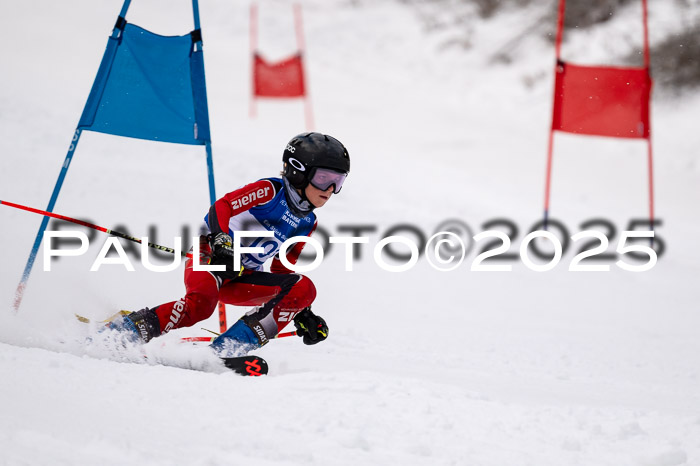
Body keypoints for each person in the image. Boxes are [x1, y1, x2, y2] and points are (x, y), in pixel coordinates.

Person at [110, 132, 350, 356]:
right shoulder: (270, 191)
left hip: (241, 276)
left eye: (337, 182)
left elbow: (281, 270)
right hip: (211, 257)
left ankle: (226, 351)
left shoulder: (308, 222)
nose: (329, 190)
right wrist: (222, 241)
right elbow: (222, 207)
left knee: (304, 288)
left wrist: (299, 310)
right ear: (298, 171)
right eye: (323, 179)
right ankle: (122, 332)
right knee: (201, 306)